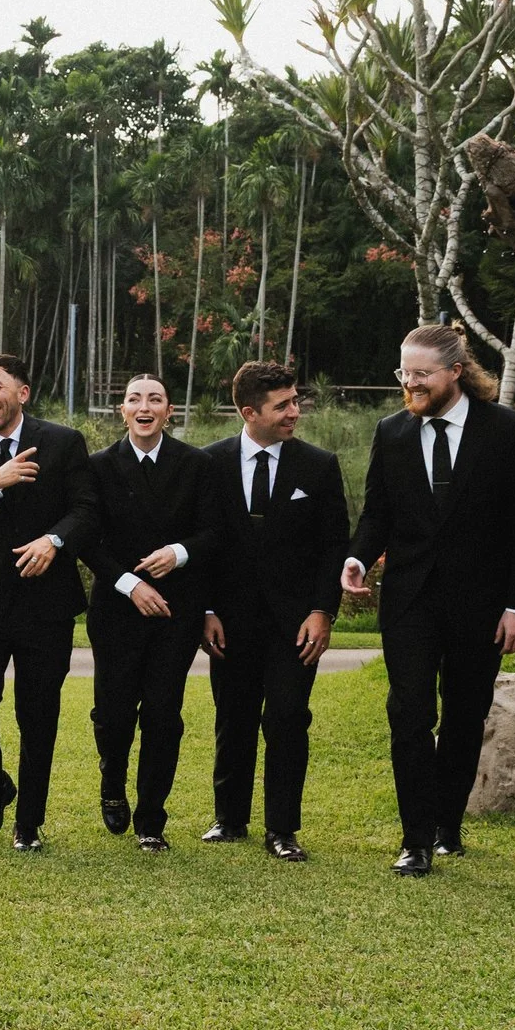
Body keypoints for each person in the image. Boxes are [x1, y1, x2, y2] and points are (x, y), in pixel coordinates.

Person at [344, 324, 515, 876]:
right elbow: (377, 514)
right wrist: (358, 556)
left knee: (464, 717)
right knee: (408, 714)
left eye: (422, 373)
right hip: (410, 601)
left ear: (456, 371)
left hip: (483, 605)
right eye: (404, 372)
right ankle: (416, 839)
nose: (411, 383)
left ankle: (449, 823)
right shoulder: (392, 432)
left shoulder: (510, 432)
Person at [0, 351, 97, 849]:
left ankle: (29, 823)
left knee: (38, 714)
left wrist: (54, 542)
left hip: (47, 605)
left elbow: (87, 509)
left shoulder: (63, 443)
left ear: (22, 392)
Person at [199, 361, 350, 861]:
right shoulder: (209, 463)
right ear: (249, 412)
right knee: (233, 717)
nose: (295, 412)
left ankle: (282, 830)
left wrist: (322, 610)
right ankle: (230, 820)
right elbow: (202, 544)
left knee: (288, 718)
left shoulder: (319, 465)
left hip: (296, 625)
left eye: (295, 401)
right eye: (282, 405)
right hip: (229, 620)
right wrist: (206, 609)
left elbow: (334, 546)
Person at [80, 373, 220, 852]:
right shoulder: (97, 467)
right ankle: (111, 781)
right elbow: (87, 538)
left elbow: (216, 531)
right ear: (123, 411)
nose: (145, 406)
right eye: (135, 399)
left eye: (155, 399)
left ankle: (151, 821)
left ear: (168, 411)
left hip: (174, 613)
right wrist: (130, 583)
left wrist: (179, 552)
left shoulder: (197, 465)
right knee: (114, 714)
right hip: (115, 609)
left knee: (163, 714)